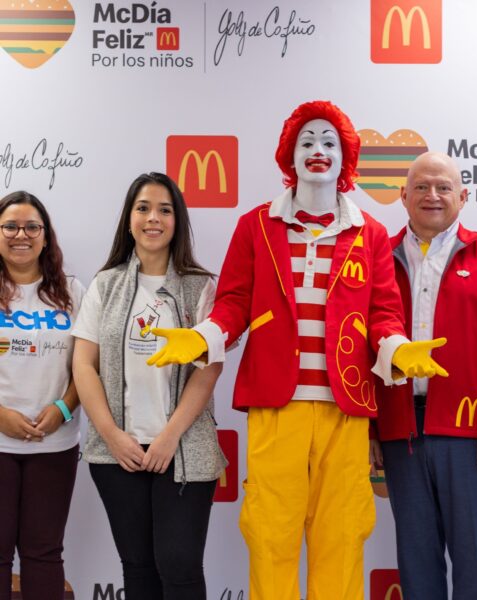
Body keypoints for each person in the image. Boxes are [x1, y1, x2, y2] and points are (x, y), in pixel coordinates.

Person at [147, 100, 447, 600]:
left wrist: (396, 349)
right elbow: (235, 302)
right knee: (270, 535)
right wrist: (203, 336)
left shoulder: (369, 234)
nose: (318, 151)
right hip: (276, 406)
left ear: (345, 158)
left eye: (329, 142)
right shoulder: (256, 225)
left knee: (342, 535)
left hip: (345, 410)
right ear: (290, 155)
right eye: (307, 141)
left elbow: (383, 313)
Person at [372, 152, 477, 600]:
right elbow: (362, 347)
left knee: (473, 563)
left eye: (443, 187)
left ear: (464, 197)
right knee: (416, 564)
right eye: (422, 187)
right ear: (402, 195)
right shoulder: (376, 258)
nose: (432, 196)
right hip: (400, 434)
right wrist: (373, 429)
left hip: (470, 438)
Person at [72, 172, 226, 600]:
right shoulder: (106, 284)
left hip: (182, 451)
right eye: (143, 208)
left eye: (164, 209)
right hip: (117, 453)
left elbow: (207, 369)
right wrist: (113, 436)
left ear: (177, 221)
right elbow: (84, 365)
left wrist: (169, 437)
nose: (152, 218)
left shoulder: (200, 286)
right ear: (129, 219)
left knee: (179, 566)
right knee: (137, 568)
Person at [0, 191, 84, 600]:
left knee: (43, 554)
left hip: (55, 443)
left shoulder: (73, 291)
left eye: (32, 226)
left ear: (46, 236)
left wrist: (63, 409)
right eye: (10, 226)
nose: (21, 234)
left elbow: (88, 367)